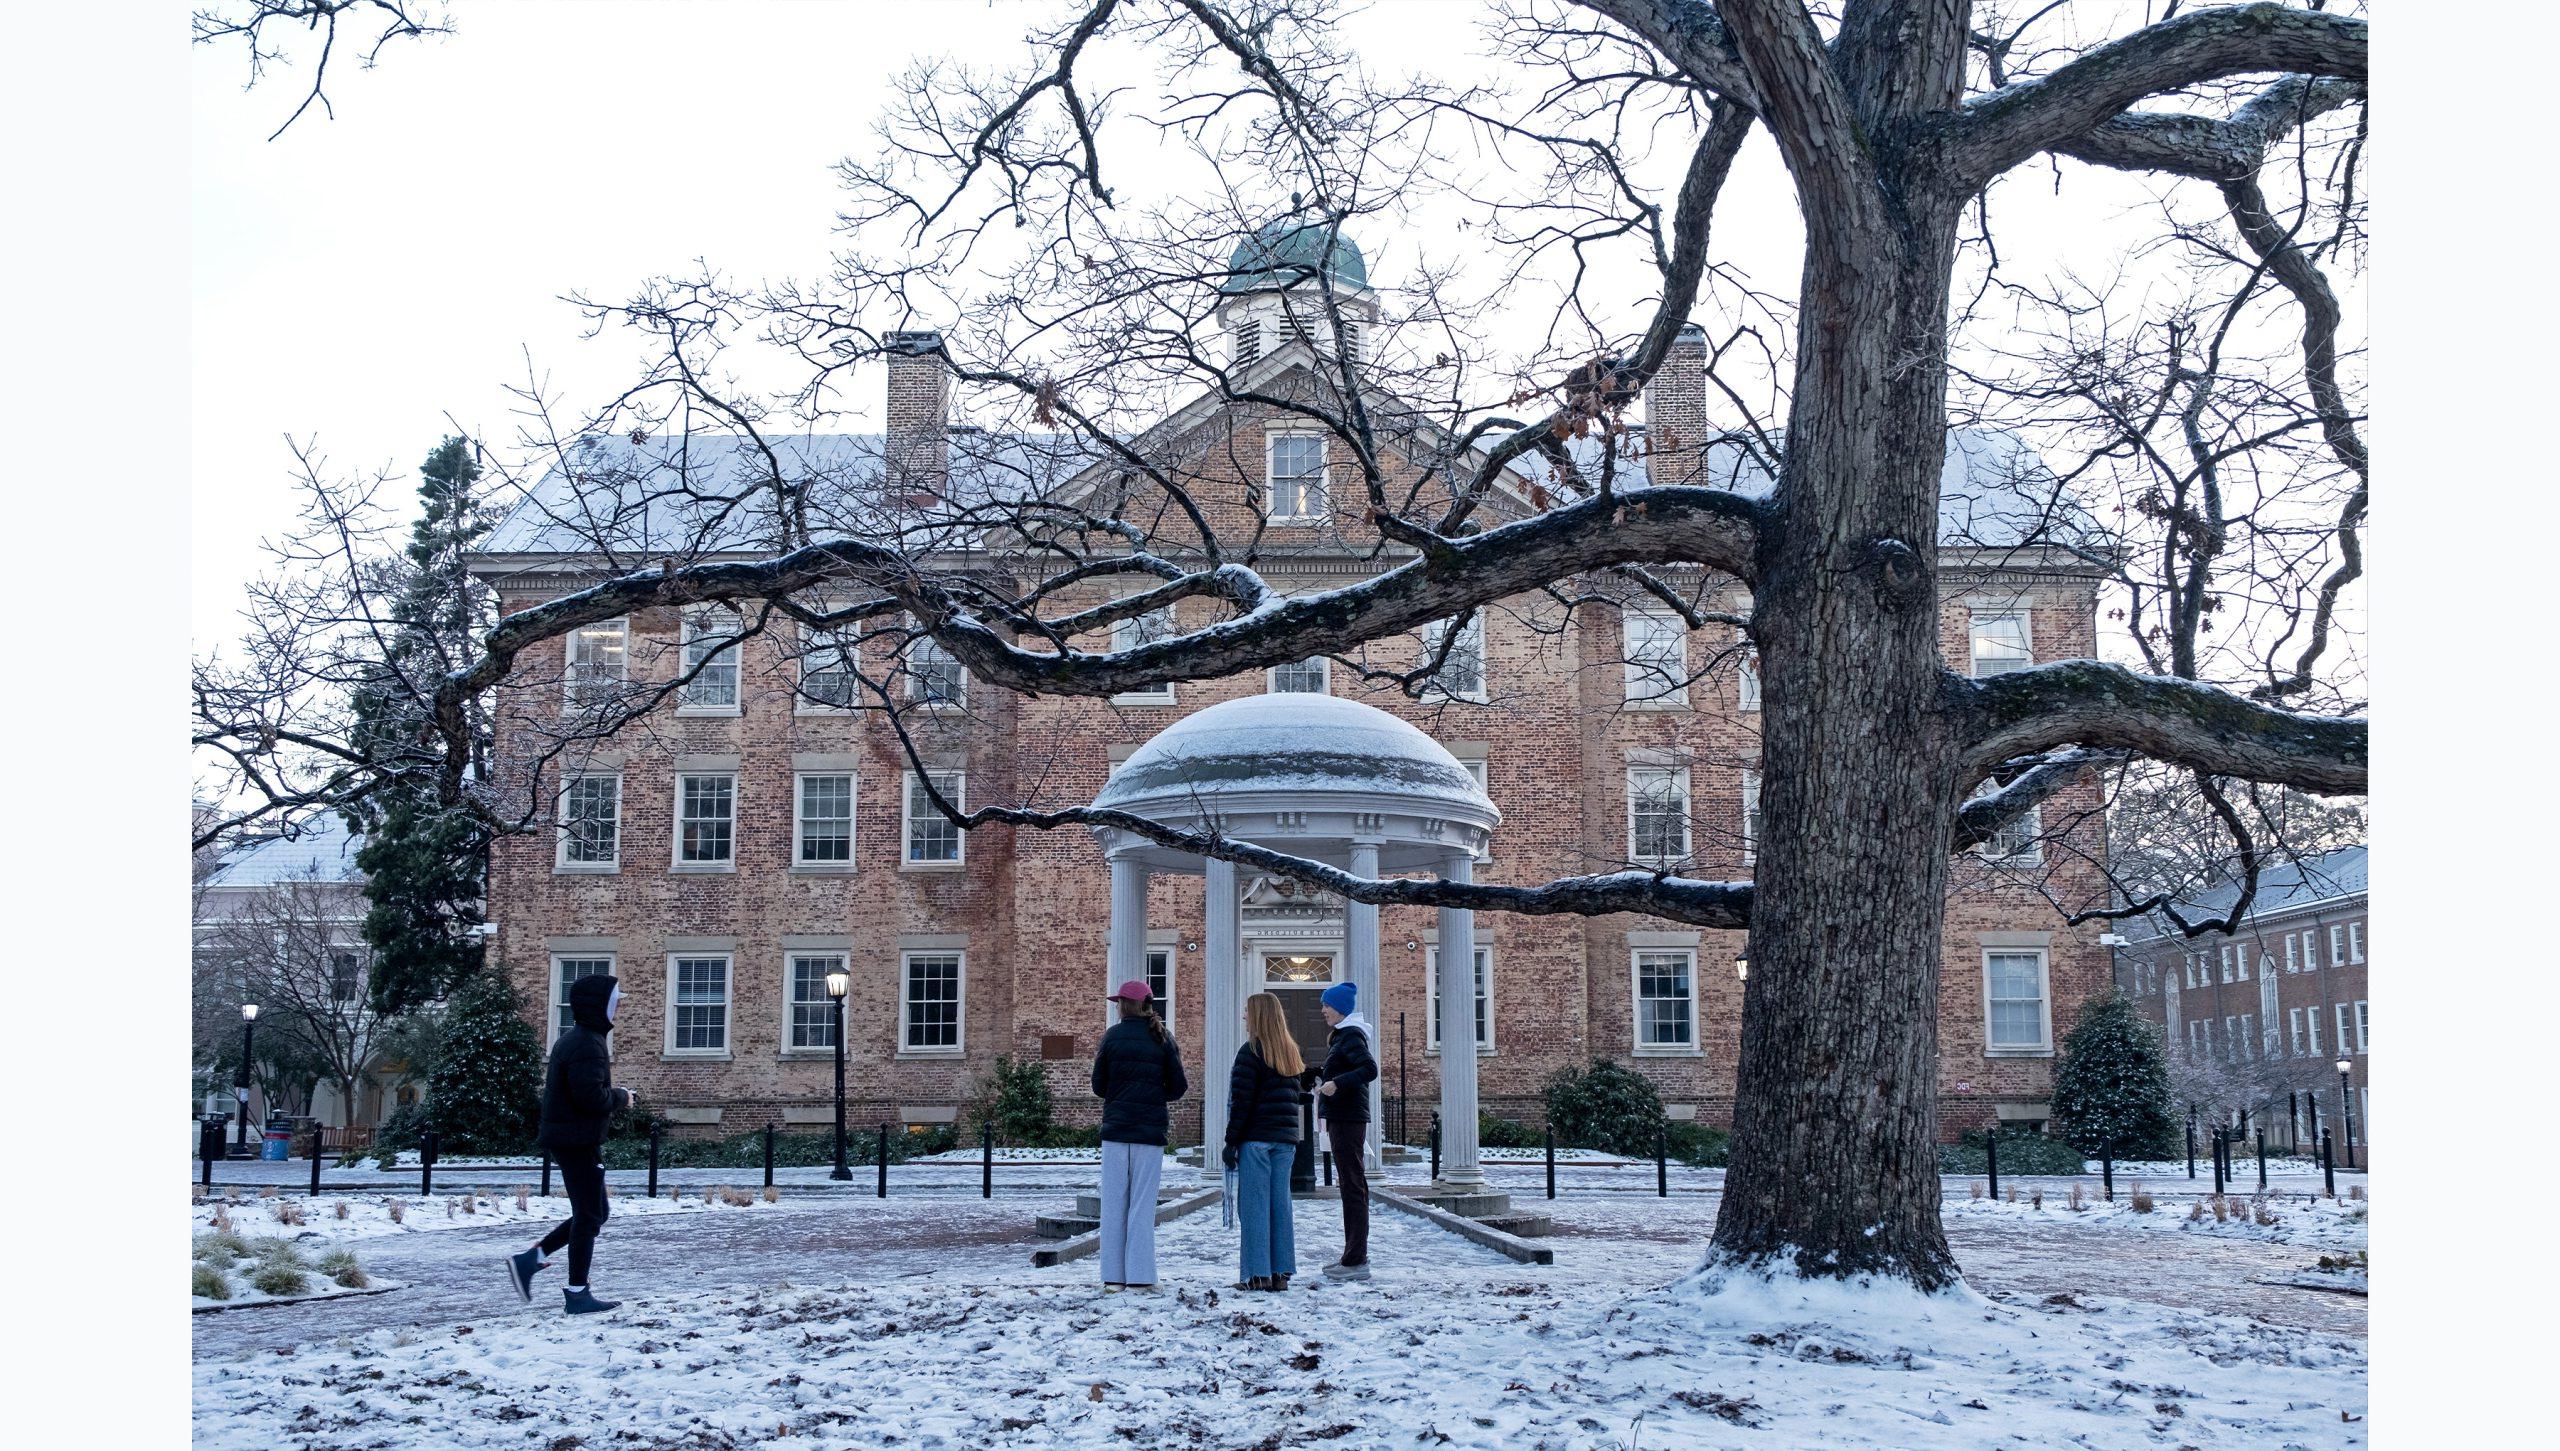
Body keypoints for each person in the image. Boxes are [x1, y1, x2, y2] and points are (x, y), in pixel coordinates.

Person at [508, 973, 634, 1314]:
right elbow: (591, 1098)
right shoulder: (587, 1044)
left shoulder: (579, 1039)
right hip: (576, 1140)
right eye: (614, 1001)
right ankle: (577, 1293)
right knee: (590, 1215)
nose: (618, 1007)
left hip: (572, 1138)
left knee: (595, 1212)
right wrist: (622, 1097)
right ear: (599, 1006)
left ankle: (530, 1260)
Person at [1091, 979, 1188, 1292]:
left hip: (1117, 1129)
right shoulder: (1163, 1038)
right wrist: (1153, 1094)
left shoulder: (1112, 1037)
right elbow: (1178, 1087)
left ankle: (1113, 1278)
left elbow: (1098, 1086)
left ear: (1124, 1005)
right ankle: (1141, 1276)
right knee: (1142, 1206)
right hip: (1149, 1130)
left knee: (1113, 1204)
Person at [1224, 992, 1305, 1291]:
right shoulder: (1290, 1052)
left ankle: (1258, 1274)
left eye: (1247, 1011)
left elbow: (1241, 1102)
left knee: (1254, 1206)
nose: (1244, 1016)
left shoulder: (1250, 1052)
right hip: (1285, 1141)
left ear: (1258, 1015)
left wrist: (1231, 1142)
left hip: (1256, 1139)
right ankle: (1281, 1273)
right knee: (1280, 1205)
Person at [1313, 980, 1378, 1279]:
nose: (1323, 1009)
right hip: (1344, 1116)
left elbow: (1369, 1069)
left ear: (1340, 1008)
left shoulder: (1350, 1035)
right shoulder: (1343, 1036)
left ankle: (1355, 1260)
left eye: (1327, 1004)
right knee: (1351, 1184)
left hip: (1348, 1118)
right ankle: (1352, 1256)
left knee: (1352, 1185)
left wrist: (1336, 1083)